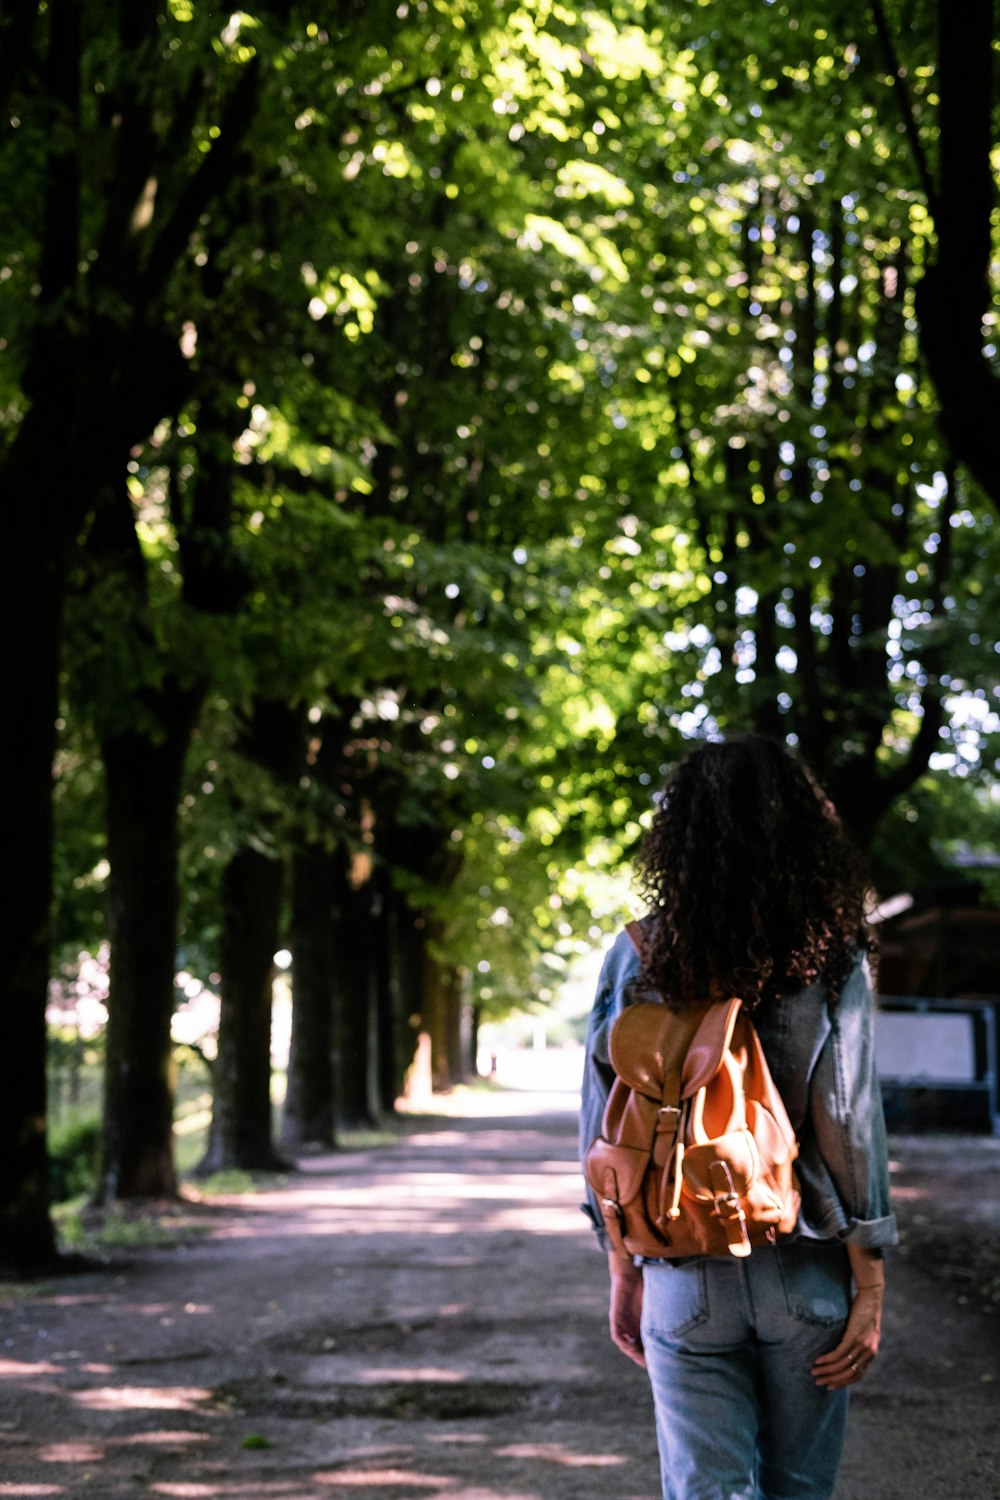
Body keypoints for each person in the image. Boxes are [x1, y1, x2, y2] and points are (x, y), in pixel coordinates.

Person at [579, 734, 897, 1500]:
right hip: (805, 1263)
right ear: (801, 830)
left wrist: (622, 1264)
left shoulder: (637, 953)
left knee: (706, 1491)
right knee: (798, 1490)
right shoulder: (830, 955)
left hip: (680, 1264)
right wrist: (870, 1284)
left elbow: (602, 1124)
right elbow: (847, 1119)